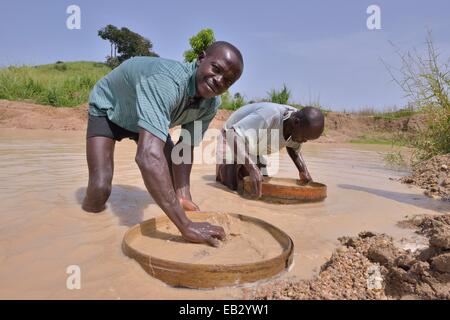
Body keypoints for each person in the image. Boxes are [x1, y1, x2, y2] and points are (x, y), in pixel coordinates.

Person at [82, 41, 244, 247]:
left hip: (145, 120)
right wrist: (186, 226)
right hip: (110, 109)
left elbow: (185, 148)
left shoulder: (210, 105)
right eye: (216, 69)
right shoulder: (166, 82)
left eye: (228, 81)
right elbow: (147, 157)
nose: (219, 80)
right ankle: (90, 233)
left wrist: (183, 194)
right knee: (100, 188)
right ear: (201, 58)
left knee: (172, 175)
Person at [216, 102, 324, 197]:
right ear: (295, 123)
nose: (304, 142)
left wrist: (303, 170)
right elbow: (232, 134)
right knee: (231, 186)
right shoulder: (270, 115)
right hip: (233, 134)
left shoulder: (299, 124)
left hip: (258, 142)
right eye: (304, 137)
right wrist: (252, 168)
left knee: (260, 186)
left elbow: (293, 147)